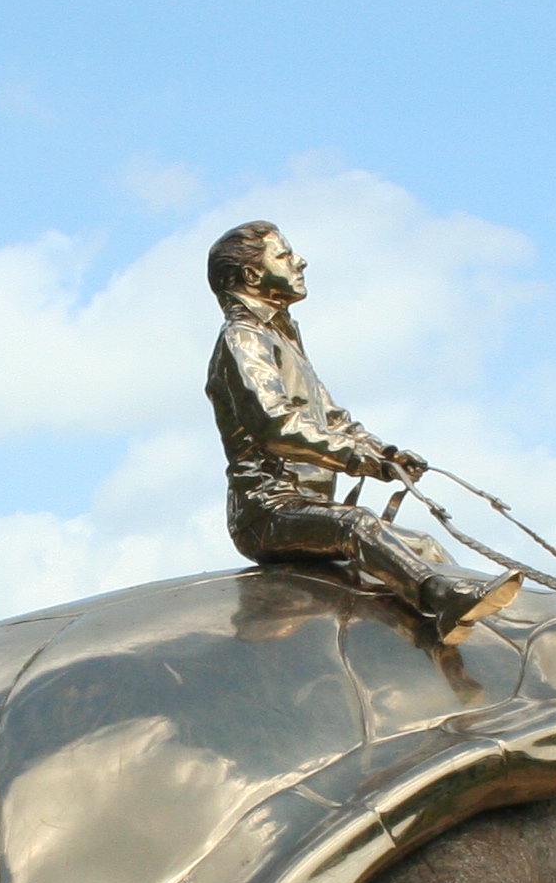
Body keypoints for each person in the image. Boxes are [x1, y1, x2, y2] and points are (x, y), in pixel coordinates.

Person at [203, 221, 519, 642]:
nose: (300, 261)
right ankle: (439, 597)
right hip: (268, 509)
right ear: (252, 276)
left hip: (308, 503)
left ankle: (486, 628)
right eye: (283, 255)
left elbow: (334, 420)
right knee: (357, 525)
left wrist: (386, 454)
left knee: (422, 544)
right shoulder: (243, 338)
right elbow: (274, 425)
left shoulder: (281, 336)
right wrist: (359, 459)